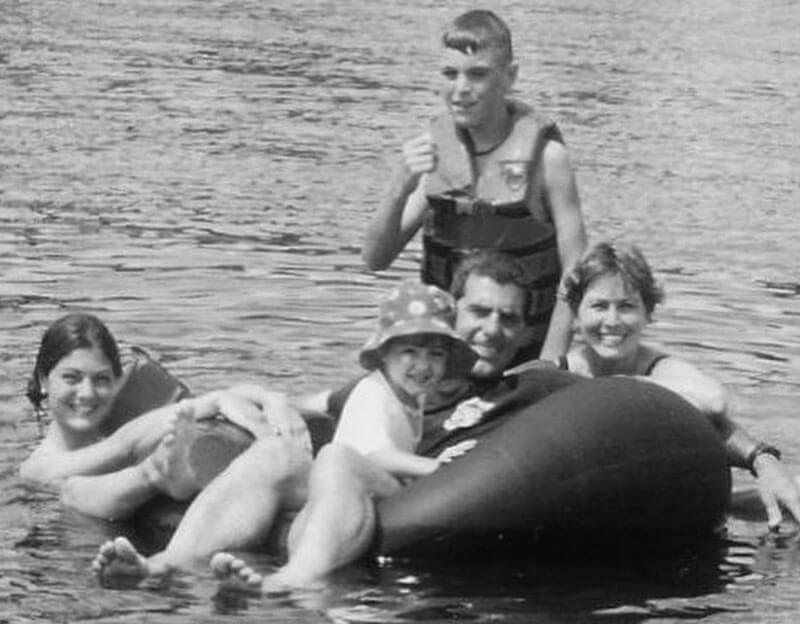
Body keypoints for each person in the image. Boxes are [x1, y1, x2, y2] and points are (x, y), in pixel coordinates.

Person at [362, 9, 587, 362]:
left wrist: (548, 364)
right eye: (450, 74)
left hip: (522, 354)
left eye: (478, 74)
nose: (461, 89)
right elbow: (376, 258)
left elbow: (576, 274)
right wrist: (398, 188)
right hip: (445, 356)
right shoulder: (433, 152)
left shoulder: (548, 159)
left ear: (510, 76)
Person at [558, 241, 800, 527]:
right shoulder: (559, 373)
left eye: (626, 306)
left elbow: (714, 402)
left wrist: (626, 385)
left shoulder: (658, 367)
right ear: (576, 314)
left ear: (647, 313)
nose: (612, 321)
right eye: (599, 306)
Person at [19, 312, 296, 520]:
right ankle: (155, 475)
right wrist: (212, 402)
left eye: (101, 379)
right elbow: (121, 446)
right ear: (44, 380)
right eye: (72, 378)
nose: (87, 393)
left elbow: (210, 399)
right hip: (81, 549)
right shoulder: (36, 468)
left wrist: (269, 399)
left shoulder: (130, 421)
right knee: (74, 489)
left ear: (117, 383)